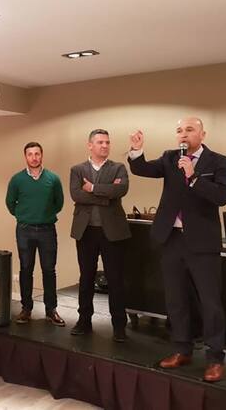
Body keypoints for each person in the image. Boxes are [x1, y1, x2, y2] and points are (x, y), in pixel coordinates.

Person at [128, 117, 226, 382]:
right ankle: (182, 349)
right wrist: (137, 151)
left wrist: (193, 177)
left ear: (202, 134)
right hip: (172, 239)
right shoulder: (170, 157)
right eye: (179, 130)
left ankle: (215, 358)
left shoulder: (218, 161)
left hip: (202, 242)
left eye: (189, 129)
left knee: (210, 302)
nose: (183, 134)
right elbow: (142, 169)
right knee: (176, 299)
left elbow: (222, 196)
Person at [69, 130, 131, 342]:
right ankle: (84, 321)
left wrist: (93, 188)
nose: (105, 145)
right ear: (90, 145)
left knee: (115, 279)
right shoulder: (77, 170)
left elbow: (120, 190)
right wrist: (105, 196)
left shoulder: (118, 168)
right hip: (85, 231)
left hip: (112, 231)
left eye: (107, 142)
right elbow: (76, 195)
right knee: (86, 277)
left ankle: (119, 326)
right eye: (100, 142)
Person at [5, 142, 65, 326]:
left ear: (42, 155)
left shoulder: (53, 179)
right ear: (25, 157)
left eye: (37, 154)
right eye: (30, 154)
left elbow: (59, 203)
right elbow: (10, 203)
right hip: (24, 230)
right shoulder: (17, 180)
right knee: (26, 269)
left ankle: (51, 310)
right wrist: (24, 215)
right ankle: (26, 309)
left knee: (49, 270)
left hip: (47, 230)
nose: (34, 157)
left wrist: (44, 215)